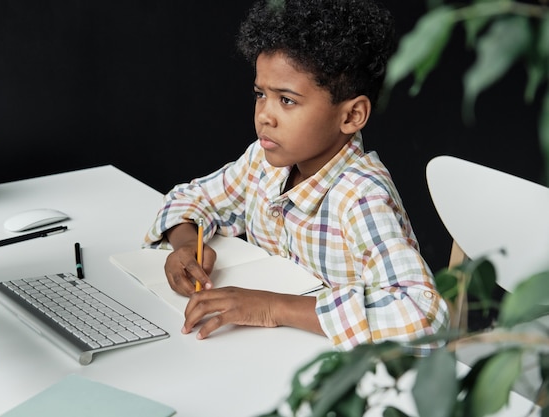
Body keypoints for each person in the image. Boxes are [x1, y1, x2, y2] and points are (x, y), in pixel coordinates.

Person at [143, 0, 449, 354]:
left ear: (351, 116)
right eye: (261, 94)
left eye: (287, 100)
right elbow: (190, 198)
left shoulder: (361, 196)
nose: (264, 116)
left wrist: (273, 307)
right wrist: (186, 245)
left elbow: (423, 316)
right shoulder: (264, 161)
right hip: (265, 356)